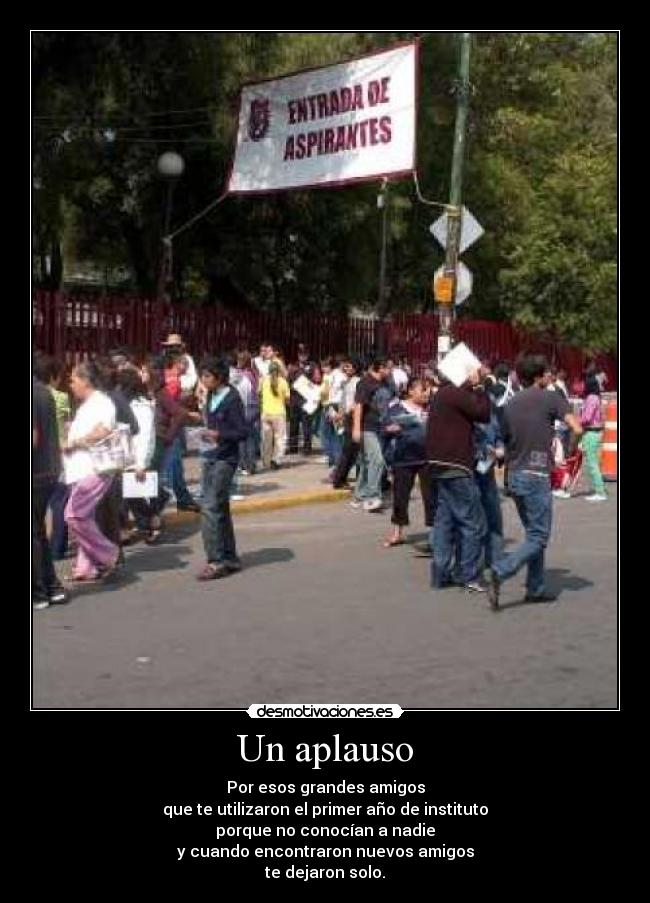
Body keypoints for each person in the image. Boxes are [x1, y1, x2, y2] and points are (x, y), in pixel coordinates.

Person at [483, 355, 583, 611]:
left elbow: (503, 439)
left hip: (515, 474)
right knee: (539, 536)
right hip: (537, 474)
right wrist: (570, 448)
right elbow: (577, 426)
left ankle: (535, 588)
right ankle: (501, 570)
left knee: (533, 533)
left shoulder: (511, 403)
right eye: (547, 374)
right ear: (540, 376)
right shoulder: (550, 397)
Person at [425, 366, 491, 592]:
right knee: (471, 522)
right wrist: (480, 387)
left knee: (444, 521)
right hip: (456, 466)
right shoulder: (455, 393)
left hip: (439, 465)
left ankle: (440, 573)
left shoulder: (442, 394)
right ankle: (469, 575)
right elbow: (483, 413)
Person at [62, 362, 121, 583]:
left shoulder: (102, 402)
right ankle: (85, 568)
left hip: (95, 469)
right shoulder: (88, 404)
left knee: (73, 514)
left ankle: (108, 553)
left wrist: (76, 442)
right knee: (84, 516)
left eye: (73, 380)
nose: (71, 385)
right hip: (81, 469)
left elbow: (103, 430)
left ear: (85, 381)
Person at [196, 356, 249, 581]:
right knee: (220, 507)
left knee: (209, 507)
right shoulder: (210, 395)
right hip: (210, 455)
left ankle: (215, 560)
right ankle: (229, 557)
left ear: (219, 377)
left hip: (225, 459)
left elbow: (242, 431)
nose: (203, 380)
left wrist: (219, 434)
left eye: (207, 376)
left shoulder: (232, 398)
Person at [382, 377, 434, 548]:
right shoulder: (396, 408)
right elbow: (384, 428)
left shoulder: (431, 408)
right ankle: (397, 532)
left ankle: (434, 534)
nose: (427, 393)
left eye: (428, 390)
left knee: (431, 496)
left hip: (427, 458)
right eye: (423, 389)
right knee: (400, 496)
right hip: (403, 458)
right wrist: (391, 429)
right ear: (411, 391)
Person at [33, 360, 68, 609]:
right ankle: (52, 587)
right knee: (38, 534)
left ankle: (38, 592)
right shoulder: (45, 392)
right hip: (49, 470)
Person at [116, 367, 157, 541]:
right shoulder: (122, 404)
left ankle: (150, 523)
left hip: (136, 458)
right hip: (123, 458)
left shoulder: (142, 406)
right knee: (126, 496)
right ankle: (137, 526)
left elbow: (146, 436)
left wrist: (141, 463)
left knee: (134, 496)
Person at [351, 357, 391, 512]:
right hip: (366, 428)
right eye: (388, 367)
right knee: (377, 461)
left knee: (368, 463)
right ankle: (372, 497)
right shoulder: (365, 383)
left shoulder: (383, 383)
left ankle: (359, 496)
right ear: (380, 367)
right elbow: (358, 406)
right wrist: (356, 428)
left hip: (378, 427)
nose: (390, 371)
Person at [331, 356, 362, 489]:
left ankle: (340, 477)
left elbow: (354, 403)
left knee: (351, 451)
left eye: (349, 366)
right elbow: (345, 402)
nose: (345, 368)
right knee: (350, 451)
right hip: (349, 418)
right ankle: (339, 478)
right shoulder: (348, 382)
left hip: (352, 417)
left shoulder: (356, 382)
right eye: (345, 366)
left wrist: (342, 414)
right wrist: (340, 414)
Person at [287, 344, 321, 456]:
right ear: (297, 355)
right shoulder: (292, 366)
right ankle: (293, 448)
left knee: (307, 424)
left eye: (305, 354)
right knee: (293, 424)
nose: (303, 356)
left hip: (307, 400)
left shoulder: (313, 365)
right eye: (300, 354)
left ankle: (307, 448)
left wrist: (309, 383)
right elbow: (287, 380)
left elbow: (317, 379)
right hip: (294, 399)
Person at [580, 373, 607, 502]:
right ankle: (600, 487)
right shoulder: (597, 397)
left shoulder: (591, 398)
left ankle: (600, 491)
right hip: (598, 432)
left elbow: (587, 417)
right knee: (595, 462)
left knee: (592, 463)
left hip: (591, 432)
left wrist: (577, 420)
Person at [259, 360, 290, 470]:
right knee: (280, 438)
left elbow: (259, 393)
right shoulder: (283, 382)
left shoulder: (263, 380)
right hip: (279, 413)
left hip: (266, 412)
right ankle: (276, 460)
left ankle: (265, 461)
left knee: (266, 438)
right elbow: (287, 399)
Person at [232, 350, 260, 475]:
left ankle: (244, 465)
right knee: (251, 437)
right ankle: (252, 465)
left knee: (242, 439)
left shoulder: (239, 375)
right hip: (254, 407)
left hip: (244, 407)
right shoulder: (253, 374)